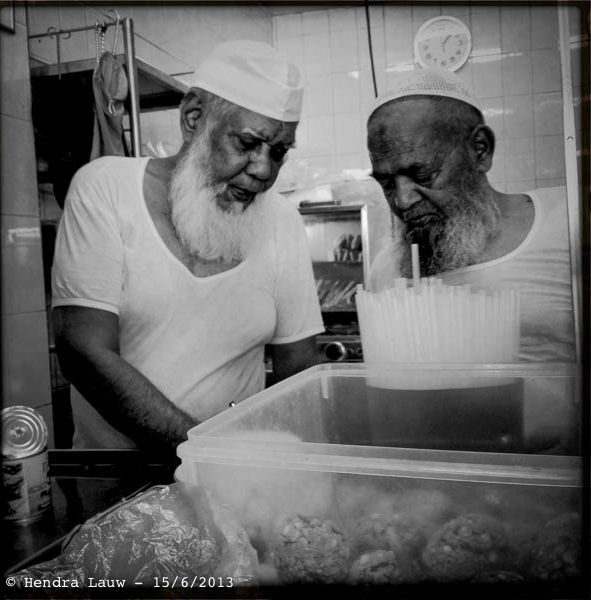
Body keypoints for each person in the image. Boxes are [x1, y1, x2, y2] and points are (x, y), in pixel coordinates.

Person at [52, 40, 324, 452]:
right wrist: (204, 453)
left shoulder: (282, 222)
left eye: (279, 151)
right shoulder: (105, 189)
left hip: (239, 488)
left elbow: (299, 370)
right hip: (118, 489)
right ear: (194, 117)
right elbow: (83, 351)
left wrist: (300, 471)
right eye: (247, 144)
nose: (263, 170)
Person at [366, 69, 576, 363]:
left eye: (422, 174)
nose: (402, 201)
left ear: (480, 150)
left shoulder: (567, 224)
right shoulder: (386, 271)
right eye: (386, 183)